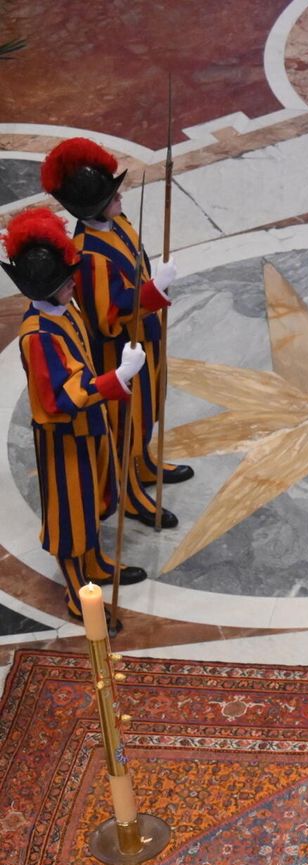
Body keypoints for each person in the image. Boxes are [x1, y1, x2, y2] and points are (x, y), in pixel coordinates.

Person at [4, 207, 146, 620]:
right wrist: (116, 378)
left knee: (95, 500)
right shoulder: (38, 336)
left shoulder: (66, 312)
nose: (72, 285)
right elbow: (60, 399)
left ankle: (97, 564)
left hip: (89, 427)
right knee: (70, 519)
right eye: (65, 282)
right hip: (64, 439)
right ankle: (75, 594)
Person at [42, 137, 186, 530]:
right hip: (120, 349)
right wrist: (154, 290)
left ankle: (144, 463)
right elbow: (108, 314)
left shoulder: (117, 222)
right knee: (128, 423)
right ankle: (132, 493)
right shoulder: (86, 252)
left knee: (151, 406)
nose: (119, 196)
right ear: (94, 206)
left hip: (147, 334)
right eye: (112, 194)